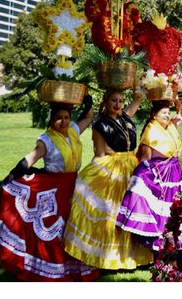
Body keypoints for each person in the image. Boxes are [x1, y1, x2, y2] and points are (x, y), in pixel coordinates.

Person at [0, 99, 99, 281]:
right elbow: (31, 158)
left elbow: (88, 117)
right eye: (59, 118)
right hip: (55, 188)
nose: (64, 122)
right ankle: (51, 268)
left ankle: (74, 268)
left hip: (74, 185)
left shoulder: (73, 131)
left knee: (74, 228)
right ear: (51, 120)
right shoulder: (47, 139)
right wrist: (13, 173)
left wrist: (87, 100)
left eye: (66, 117)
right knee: (56, 231)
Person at [63, 87, 150, 271]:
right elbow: (100, 155)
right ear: (105, 102)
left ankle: (129, 256)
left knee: (132, 211)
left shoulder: (125, 117)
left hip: (131, 165)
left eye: (120, 101)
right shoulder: (100, 125)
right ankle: (109, 257)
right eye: (113, 101)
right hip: (113, 168)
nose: (118, 104)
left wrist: (140, 88)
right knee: (113, 212)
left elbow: (135, 102)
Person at [117, 92, 182, 247]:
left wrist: (175, 98)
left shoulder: (170, 127)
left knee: (172, 208)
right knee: (159, 207)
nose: (168, 116)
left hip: (173, 173)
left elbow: (180, 113)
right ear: (154, 115)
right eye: (164, 113)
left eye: (169, 113)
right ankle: (158, 242)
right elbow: (146, 158)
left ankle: (171, 241)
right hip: (160, 173)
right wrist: (141, 177)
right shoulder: (151, 130)